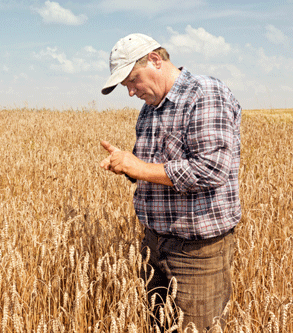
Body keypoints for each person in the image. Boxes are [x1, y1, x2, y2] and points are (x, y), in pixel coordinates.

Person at [99, 33, 241, 332]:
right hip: (154, 245)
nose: (131, 92)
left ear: (155, 60)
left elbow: (212, 169)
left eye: (132, 81)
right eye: (126, 86)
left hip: (197, 254)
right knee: (157, 327)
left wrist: (139, 167)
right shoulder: (149, 109)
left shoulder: (204, 93)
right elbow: (154, 169)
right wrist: (126, 166)